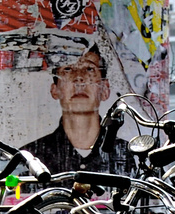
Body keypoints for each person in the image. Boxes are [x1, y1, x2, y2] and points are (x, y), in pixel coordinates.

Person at [21, 46, 131, 174]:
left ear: (104, 89)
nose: (79, 78)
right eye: (68, 69)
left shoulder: (128, 156)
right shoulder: (31, 159)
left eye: (89, 69)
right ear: (55, 90)